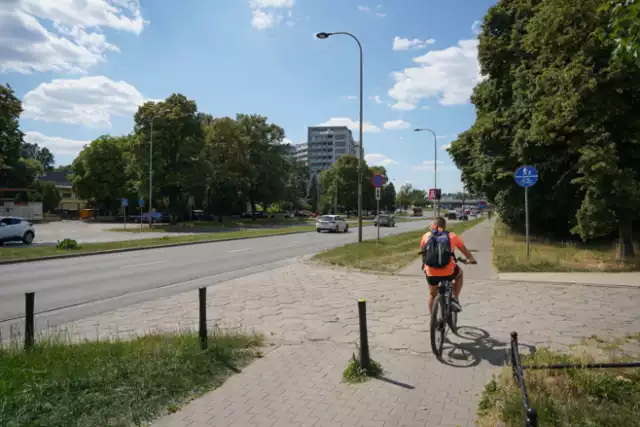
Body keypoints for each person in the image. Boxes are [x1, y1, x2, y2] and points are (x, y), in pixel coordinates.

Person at [420, 216, 477, 313]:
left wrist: (424, 265)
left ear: (434, 225)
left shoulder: (426, 236)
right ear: (444, 226)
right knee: (460, 274)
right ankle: (455, 297)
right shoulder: (452, 236)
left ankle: (434, 321)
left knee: (432, 294)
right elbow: (465, 251)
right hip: (448, 272)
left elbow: (423, 253)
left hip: (431, 272)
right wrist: (470, 259)